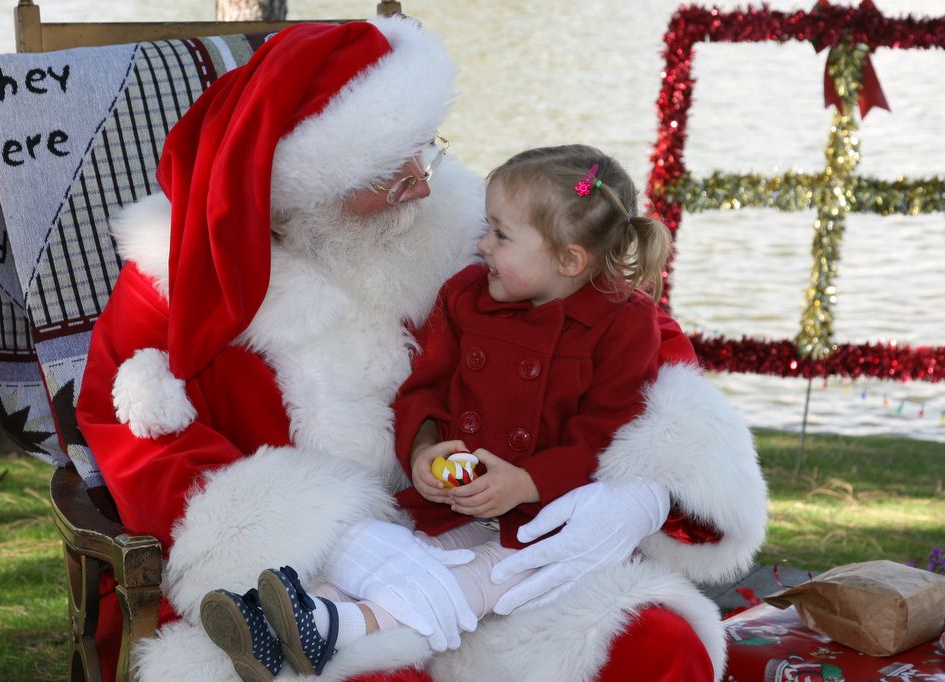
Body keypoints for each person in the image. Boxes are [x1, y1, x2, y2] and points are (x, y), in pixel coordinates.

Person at [76, 15, 768, 682]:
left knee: (654, 647)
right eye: (387, 174)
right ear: (298, 189)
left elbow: (636, 331)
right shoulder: (169, 277)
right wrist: (345, 538)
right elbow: (143, 440)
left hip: (488, 541)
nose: (423, 182)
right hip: (300, 585)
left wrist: (639, 491)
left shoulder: (474, 224)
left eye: (427, 146)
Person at [198, 144, 679, 679]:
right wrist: (424, 451)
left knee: (473, 582)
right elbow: (423, 390)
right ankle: (283, 623)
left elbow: (608, 435)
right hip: (456, 503)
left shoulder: (625, 323)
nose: (482, 244)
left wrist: (526, 482)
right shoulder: (467, 296)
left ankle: (344, 628)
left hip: (549, 522)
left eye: (500, 235)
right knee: (395, 557)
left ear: (569, 259)